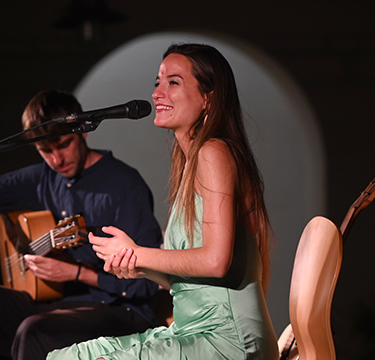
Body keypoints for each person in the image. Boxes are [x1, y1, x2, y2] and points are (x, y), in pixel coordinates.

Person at [47, 43, 279, 360]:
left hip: (227, 340)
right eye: (158, 82)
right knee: (66, 357)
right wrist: (137, 264)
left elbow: (216, 261)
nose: (157, 93)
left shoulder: (215, 153)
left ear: (208, 97)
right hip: (191, 330)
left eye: (173, 82)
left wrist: (142, 253)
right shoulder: (191, 163)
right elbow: (187, 283)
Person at [0, 90, 163, 360]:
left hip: (120, 308)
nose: (56, 160)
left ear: (83, 132)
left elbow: (146, 284)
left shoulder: (124, 184)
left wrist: (77, 274)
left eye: (63, 144)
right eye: (45, 151)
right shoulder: (42, 178)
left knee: (35, 330)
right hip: (57, 303)